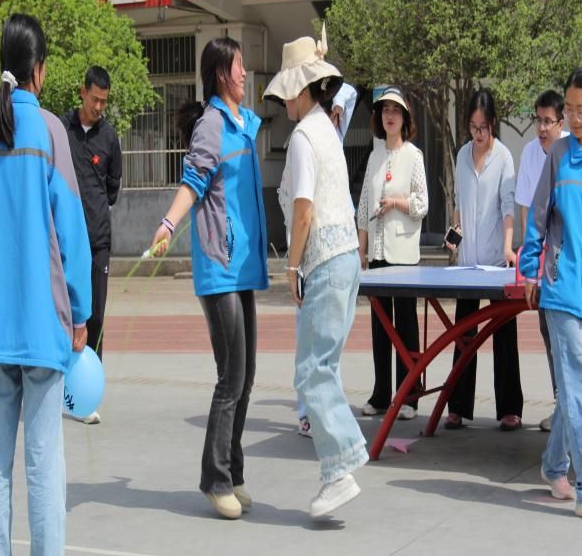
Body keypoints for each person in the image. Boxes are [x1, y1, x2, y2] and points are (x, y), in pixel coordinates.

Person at [0, 13, 91, 555]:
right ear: (38, 69)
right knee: (44, 463)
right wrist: (80, 313)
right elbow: (72, 232)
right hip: (43, 329)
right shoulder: (50, 131)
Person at [147, 37, 268, 520]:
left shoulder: (242, 124)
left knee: (247, 376)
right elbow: (193, 182)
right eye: (239, 66)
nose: (245, 73)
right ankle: (215, 479)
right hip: (219, 267)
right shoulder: (213, 126)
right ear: (221, 73)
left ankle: (233, 474)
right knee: (230, 377)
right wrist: (168, 223)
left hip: (243, 267)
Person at [263, 28, 369, 519]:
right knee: (322, 367)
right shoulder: (325, 127)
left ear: (301, 89)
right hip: (344, 258)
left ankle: (341, 466)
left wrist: (291, 265)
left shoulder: (305, 135)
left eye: (287, 90)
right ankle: (335, 470)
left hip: (324, 260)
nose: (284, 99)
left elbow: (303, 209)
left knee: (312, 371)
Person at [520, 68, 582, 514]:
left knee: (576, 388)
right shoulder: (558, 154)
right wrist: (530, 271)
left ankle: (553, 463)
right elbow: (537, 216)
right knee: (574, 388)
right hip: (561, 290)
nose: (576, 118)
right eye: (571, 110)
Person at [444, 88, 523, 431]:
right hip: (468, 262)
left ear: (493, 124)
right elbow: (459, 202)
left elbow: (508, 207)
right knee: (464, 332)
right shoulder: (462, 154)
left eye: (483, 127)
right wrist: (454, 236)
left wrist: (508, 248)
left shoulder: (504, 157)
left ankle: (509, 408)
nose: (478, 134)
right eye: (473, 127)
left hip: (495, 261)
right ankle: (457, 406)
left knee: (504, 333)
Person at [357, 86, 428, 421]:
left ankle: (409, 395)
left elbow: (422, 204)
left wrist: (397, 202)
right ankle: (381, 394)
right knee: (380, 326)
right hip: (378, 253)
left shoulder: (414, 156)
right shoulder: (374, 156)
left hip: (404, 254)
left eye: (396, 111)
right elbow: (363, 207)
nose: (390, 116)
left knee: (406, 326)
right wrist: (362, 248)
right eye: (385, 110)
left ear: (405, 118)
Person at [297, 80, 358, 438]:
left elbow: (348, 92)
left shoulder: (322, 132)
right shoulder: (311, 135)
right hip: (321, 255)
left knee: (319, 360)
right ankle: (313, 416)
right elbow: (298, 209)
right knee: (315, 356)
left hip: (330, 255)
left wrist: (292, 265)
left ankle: (344, 444)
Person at [61, 66, 122, 425]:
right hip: (65, 240)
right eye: (94, 99)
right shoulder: (62, 130)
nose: (99, 107)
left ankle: (88, 394)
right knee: (63, 314)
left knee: (95, 316)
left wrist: (95, 210)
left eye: (104, 102)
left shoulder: (109, 137)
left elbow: (113, 187)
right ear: (82, 92)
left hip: (97, 240)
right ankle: (57, 390)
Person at [515, 90, 567, 432]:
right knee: (550, 335)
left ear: (561, 123)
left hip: (569, 265)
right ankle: (562, 405)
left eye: (549, 121)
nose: (543, 128)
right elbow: (529, 215)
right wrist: (529, 269)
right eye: (539, 120)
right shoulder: (532, 154)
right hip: (546, 267)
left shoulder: (570, 151)